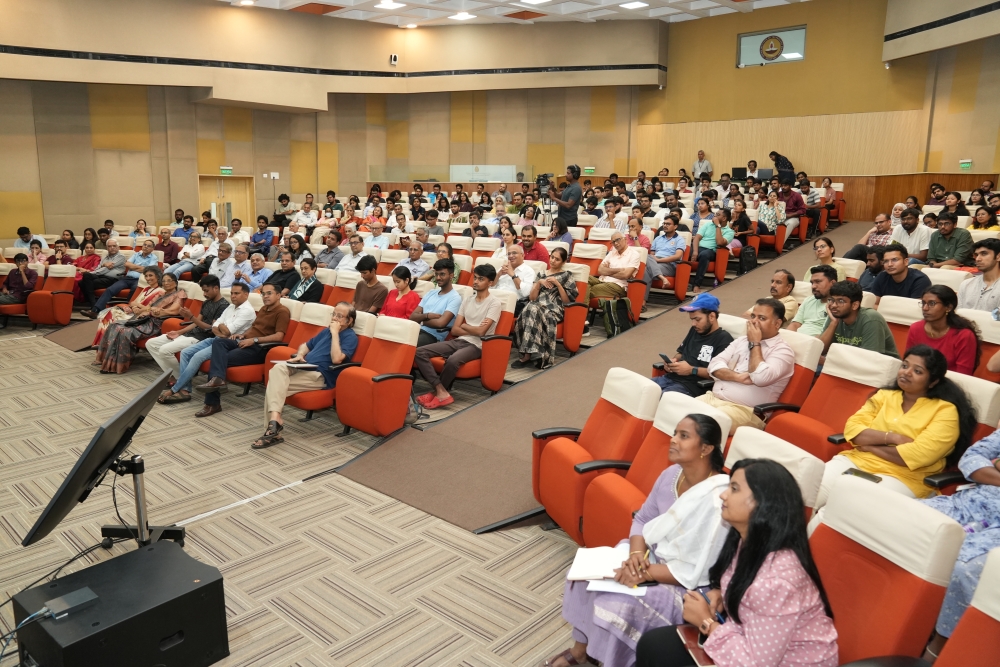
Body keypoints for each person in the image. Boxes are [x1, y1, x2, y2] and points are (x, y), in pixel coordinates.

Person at [546, 414, 730, 667]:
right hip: (649, 558)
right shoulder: (671, 475)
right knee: (584, 577)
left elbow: (696, 569)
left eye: (684, 436)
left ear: (706, 449)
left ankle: (611, 660)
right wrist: (635, 557)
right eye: (674, 433)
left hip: (687, 582)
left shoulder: (718, 498)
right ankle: (581, 651)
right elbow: (643, 518)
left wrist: (644, 573)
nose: (673, 440)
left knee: (616, 605)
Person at [635, 459, 838, 667]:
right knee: (653, 645)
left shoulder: (777, 582)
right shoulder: (747, 542)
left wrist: (706, 623)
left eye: (734, 489)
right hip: (742, 637)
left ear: (762, 504)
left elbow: (754, 664)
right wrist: (723, 596)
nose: (723, 495)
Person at [810, 346, 976, 523]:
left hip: (903, 477)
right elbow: (852, 430)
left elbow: (916, 456)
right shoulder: (884, 395)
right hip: (856, 461)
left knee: (838, 510)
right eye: (905, 365)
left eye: (917, 371)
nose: (907, 372)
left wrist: (869, 446)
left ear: (933, 381)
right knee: (806, 493)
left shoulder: (945, 411)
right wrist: (892, 437)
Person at [919, 430, 1000, 660]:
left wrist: (995, 463)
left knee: (964, 567)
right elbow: (971, 458)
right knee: (905, 519)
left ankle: (939, 649)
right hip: (968, 504)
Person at [253, 301, 359, 449]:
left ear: (349, 321)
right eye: (333, 314)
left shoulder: (350, 336)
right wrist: (300, 354)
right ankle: (275, 422)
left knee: (274, 386)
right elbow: (306, 345)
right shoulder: (325, 331)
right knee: (277, 369)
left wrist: (335, 333)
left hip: (319, 375)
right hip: (303, 366)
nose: (334, 318)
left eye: (339, 316)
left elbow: (336, 359)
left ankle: (273, 431)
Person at [193, 283, 291, 418]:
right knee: (219, 342)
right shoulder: (264, 309)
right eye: (263, 294)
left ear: (279, 295)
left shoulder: (282, 311)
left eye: (269, 293)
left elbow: (279, 336)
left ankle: (212, 403)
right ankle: (218, 381)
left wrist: (254, 340)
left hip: (260, 348)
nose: (265, 296)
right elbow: (255, 328)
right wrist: (243, 335)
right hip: (246, 341)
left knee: (219, 360)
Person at [698, 298, 795, 434]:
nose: (754, 321)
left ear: (777, 323)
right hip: (712, 398)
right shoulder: (741, 341)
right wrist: (736, 377)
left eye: (762, 318)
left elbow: (760, 378)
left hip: (746, 411)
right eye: (753, 316)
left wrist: (755, 343)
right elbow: (713, 365)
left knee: (702, 422)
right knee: (674, 407)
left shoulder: (783, 351)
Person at [414, 264, 501, 410]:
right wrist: (472, 328)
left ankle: (438, 393)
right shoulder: (467, 300)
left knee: (453, 360)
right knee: (419, 352)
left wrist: (465, 326)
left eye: (481, 279)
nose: (476, 281)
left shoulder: (494, 303)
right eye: (475, 278)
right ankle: (440, 390)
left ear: (490, 283)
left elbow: (481, 333)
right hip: (460, 340)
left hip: (479, 345)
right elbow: (455, 329)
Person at [158, 281, 257, 405]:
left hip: (229, 344)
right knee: (186, 352)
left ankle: (175, 389)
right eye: (232, 293)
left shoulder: (247, 310)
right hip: (217, 338)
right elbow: (214, 326)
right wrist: (220, 328)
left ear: (246, 295)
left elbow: (227, 331)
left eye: (236, 293)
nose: (233, 296)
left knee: (197, 357)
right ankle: (185, 388)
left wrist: (220, 327)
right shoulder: (231, 307)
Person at [94, 270, 186, 374]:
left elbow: (174, 311)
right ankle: (106, 361)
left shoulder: (179, 294)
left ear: (175, 283)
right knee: (114, 325)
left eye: (169, 281)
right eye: (164, 281)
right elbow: (148, 307)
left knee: (124, 331)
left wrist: (159, 311)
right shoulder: (161, 295)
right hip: (145, 319)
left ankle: (118, 365)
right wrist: (140, 309)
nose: (166, 283)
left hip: (156, 323)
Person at [146, 275, 229, 384]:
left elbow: (211, 328)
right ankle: (179, 377)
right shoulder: (206, 302)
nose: (204, 294)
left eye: (206, 291)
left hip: (202, 338)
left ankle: (180, 380)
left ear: (216, 288)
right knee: (151, 343)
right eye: (203, 291)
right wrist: (179, 332)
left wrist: (191, 317)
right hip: (190, 334)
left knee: (164, 350)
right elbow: (196, 323)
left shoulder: (223, 306)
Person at [652, 294, 735, 396]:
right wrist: (673, 361)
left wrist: (691, 370)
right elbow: (681, 353)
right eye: (692, 319)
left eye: (697, 319)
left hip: (692, 387)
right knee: (639, 389)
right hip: (670, 378)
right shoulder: (695, 330)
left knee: (659, 398)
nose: (693, 324)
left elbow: (721, 374)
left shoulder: (724, 339)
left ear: (712, 316)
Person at [512, 247, 579, 370]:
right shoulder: (541, 274)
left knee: (531, 309)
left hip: (555, 308)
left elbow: (567, 301)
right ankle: (533, 353)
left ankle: (528, 355)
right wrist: (539, 283)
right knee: (530, 308)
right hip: (536, 305)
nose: (553, 261)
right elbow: (532, 298)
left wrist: (558, 284)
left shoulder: (566, 275)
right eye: (552, 257)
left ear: (564, 262)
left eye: (557, 259)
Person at [906, 285, 980, 375]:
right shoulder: (915, 328)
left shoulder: (964, 335)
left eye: (932, 303)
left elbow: (963, 376)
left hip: (950, 382)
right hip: (918, 379)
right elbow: (908, 363)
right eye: (923, 303)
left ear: (948, 307)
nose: (925, 308)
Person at [818, 280, 898, 358]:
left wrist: (828, 361)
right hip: (849, 362)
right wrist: (833, 323)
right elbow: (821, 351)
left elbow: (870, 359)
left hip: (882, 364)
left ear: (855, 305)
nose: (833, 305)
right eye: (831, 300)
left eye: (841, 301)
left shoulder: (871, 319)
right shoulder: (835, 316)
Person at [83, 239, 159, 319]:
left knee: (134, 290)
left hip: (139, 280)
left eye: (149, 246)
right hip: (127, 278)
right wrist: (141, 268)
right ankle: (95, 311)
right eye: (145, 245)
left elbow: (148, 270)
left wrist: (133, 267)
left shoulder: (154, 258)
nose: (146, 247)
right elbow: (127, 264)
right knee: (110, 289)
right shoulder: (136, 255)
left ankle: (127, 312)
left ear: (152, 249)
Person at [410, 259, 463, 347]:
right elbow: (412, 317)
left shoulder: (455, 298)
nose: (438, 277)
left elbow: (440, 323)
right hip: (416, 329)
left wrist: (421, 320)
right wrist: (427, 316)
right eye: (436, 274)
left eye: (442, 274)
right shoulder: (431, 292)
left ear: (451, 276)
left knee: (409, 345)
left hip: (433, 336)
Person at [588, 232, 640, 301]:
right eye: (613, 242)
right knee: (585, 278)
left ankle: (581, 307)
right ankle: (582, 306)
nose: (615, 243)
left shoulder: (634, 254)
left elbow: (625, 275)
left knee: (588, 289)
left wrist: (607, 271)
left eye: (618, 240)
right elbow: (600, 270)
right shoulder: (612, 252)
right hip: (602, 280)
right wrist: (618, 270)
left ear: (625, 239)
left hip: (618, 285)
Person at [692, 209, 734, 293]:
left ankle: (696, 284)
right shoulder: (708, 224)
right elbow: (697, 238)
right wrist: (695, 251)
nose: (714, 216)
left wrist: (718, 226)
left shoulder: (729, 232)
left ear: (724, 218)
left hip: (712, 251)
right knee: (683, 251)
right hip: (699, 248)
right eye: (715, 214)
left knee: (704, 255)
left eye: (717, 215)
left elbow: (719, 242)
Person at [789, 265, 838, 337]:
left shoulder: (837, 305)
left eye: (818, 282)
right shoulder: (808, 300)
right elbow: (795, 324)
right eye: (812, 283)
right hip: (797, 338)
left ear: (833, 283)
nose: (813, 286)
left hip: (817, 341)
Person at [958, 238, 1000, 311]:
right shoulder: (966, 284)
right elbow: (958, 313)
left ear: (998, 257)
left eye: (984, 254)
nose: (977, 259)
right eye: (976, 255)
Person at [776, 179, 805, 243]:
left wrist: (790, 215)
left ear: (790, 186)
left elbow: (803, 210)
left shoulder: (797, 196)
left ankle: (780, 243)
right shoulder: (778, 195)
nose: (783, 187)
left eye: (785, 186)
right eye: (782, 186)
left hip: (793, 217)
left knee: (790, 223)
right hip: (779, 217)